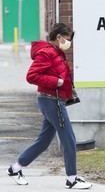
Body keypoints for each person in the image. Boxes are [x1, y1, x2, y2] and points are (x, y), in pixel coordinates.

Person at [6, 23, 92, 189]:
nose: (69, 43)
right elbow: (31, 76)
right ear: (58, 37)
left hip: (54, 100)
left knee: (44, 141)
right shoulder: (47, 53)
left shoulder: (56, 53)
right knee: (69, 138)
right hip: (51, 101)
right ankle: (71, 179)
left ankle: (15, 169)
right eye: (67, 39)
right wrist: (56, 82)